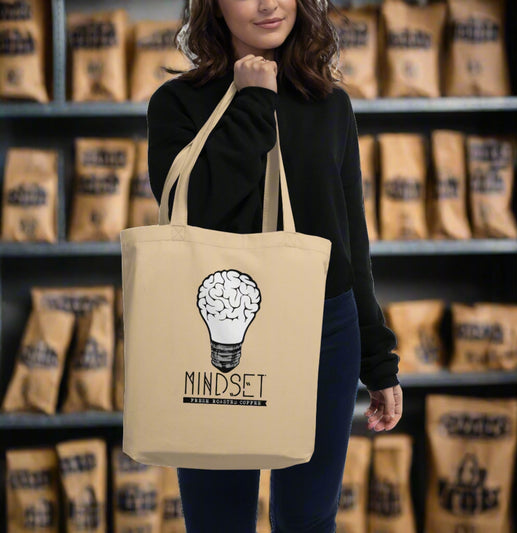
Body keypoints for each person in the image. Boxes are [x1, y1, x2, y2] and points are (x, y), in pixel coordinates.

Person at [146, 0, 403, 530]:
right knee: (217, 517)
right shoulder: (178, 103)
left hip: (324, 330)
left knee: (309, 518)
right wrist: (253, 101)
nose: (268, 4)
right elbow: (197, 206)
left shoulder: (330, 104)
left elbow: (349, 236)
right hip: (211, 332)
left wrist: (377, 360)